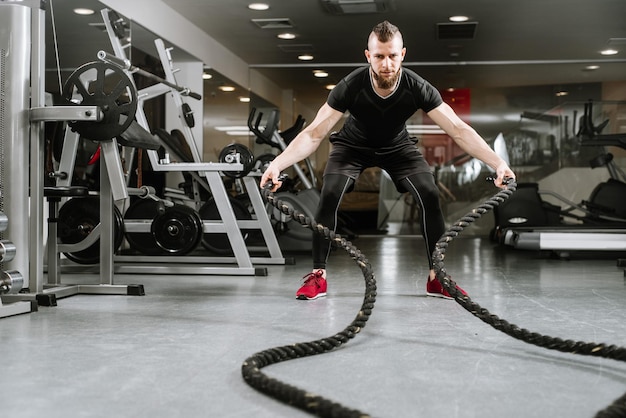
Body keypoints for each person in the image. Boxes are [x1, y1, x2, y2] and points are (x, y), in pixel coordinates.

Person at [260, 20, 516, 301]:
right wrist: (277, 164)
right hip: (351, 146)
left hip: (397, 147)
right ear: (368, 56)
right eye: (379, 56)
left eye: (393, 56)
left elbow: (458, 128)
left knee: (429, 193)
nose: (386, 64)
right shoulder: (351, 85)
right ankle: (318, 276)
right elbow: (314, 133)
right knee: (330, 192)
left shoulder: (417, 87)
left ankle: (436, 277)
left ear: (402, 54)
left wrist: (497, 162)